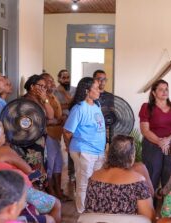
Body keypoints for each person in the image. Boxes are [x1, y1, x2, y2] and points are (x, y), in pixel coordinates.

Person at [0, 120, 61, 223]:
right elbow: (29, 171)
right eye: (3, 133)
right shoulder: (3, 150)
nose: (5, 136)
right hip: (17, 189)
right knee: (56, 204)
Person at [84, 134, 154, 220]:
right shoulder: (138, 181)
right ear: (131, 157)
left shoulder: (94, 176)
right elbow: (149, 217)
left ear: (109, 154)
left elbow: (88, 209)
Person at [63, 77, 106, 213]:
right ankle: (82, 214)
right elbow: (67, 132)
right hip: (84, 151)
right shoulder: (79, 108)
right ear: (87, 91)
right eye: (96, 88)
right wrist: (72, 148)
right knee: (84, 183)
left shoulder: (97, 105)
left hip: (98, 151)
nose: (99, 90)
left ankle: (93, 210)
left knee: (96, 182)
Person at [139, 79, 171, 190]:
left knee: (170, 178)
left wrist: (168, 140)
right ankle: (150, 206)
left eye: (166, 89)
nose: (165, 92)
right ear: (154, 93)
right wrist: (160, 142)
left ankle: (167, 207)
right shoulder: (147, 107)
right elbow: (145, 130)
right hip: (152, 146)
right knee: (151, 177)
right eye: (161, 89)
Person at [40, 73, 66, 200]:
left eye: (52, 81)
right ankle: (51, 192)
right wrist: (57, 120)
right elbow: (47, 119)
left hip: (56, 135)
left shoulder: (52, 96)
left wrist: (61, 119)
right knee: (50, 165)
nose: (53, 83)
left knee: (58, 164)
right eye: (49, 81)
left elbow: (57, 116)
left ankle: (57, 190)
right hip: (48, 135)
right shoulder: (42, 98)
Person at [54, 69, 76, 183]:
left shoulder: (75, 89)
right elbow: (56, 108)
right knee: (57, 148)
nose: (66, 80)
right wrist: (64, 105)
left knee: (71, 147)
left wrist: (64, 95)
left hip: (72, 123)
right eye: (64, 78)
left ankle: (72, 173)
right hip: (58, 123)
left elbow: (73, 104)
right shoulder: (54, 91)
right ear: (59, 79)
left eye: (68, 77)